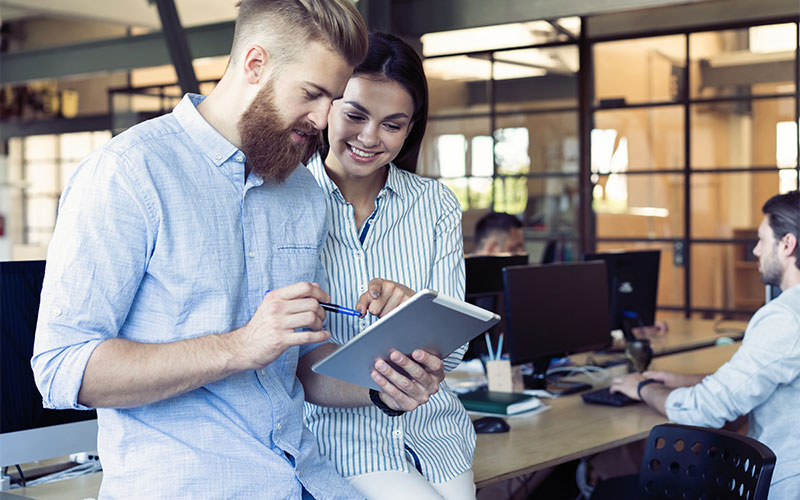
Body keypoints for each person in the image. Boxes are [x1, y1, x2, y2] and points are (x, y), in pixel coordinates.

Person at [31, 3, 442, 498]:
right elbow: (62, 369)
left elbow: (304, 363)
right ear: (255, 65)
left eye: (332, 98)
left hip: (306, 478)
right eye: (311, 94)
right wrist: (239, 347)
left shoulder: (300, 192)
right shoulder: (127, 173)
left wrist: (384, 386)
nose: (322, 119)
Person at [296, 33, 476, 499]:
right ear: (326, 108)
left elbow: (452, 353)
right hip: (338, 443)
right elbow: (291, 362)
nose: (370, 138)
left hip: (437, 436)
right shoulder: (284, 203)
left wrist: (416, 310)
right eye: (355, 115)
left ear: (410, 129)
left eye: (393, 125)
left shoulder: (434, 204)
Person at [610, 190, 800, 498]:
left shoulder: (786, 318)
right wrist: (682, 380)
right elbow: (759, 380)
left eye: (762, 240)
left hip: (780, 487)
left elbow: (705, 411)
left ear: (787, 244)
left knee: (618, 488)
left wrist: (643, 389)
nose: (755, 250)